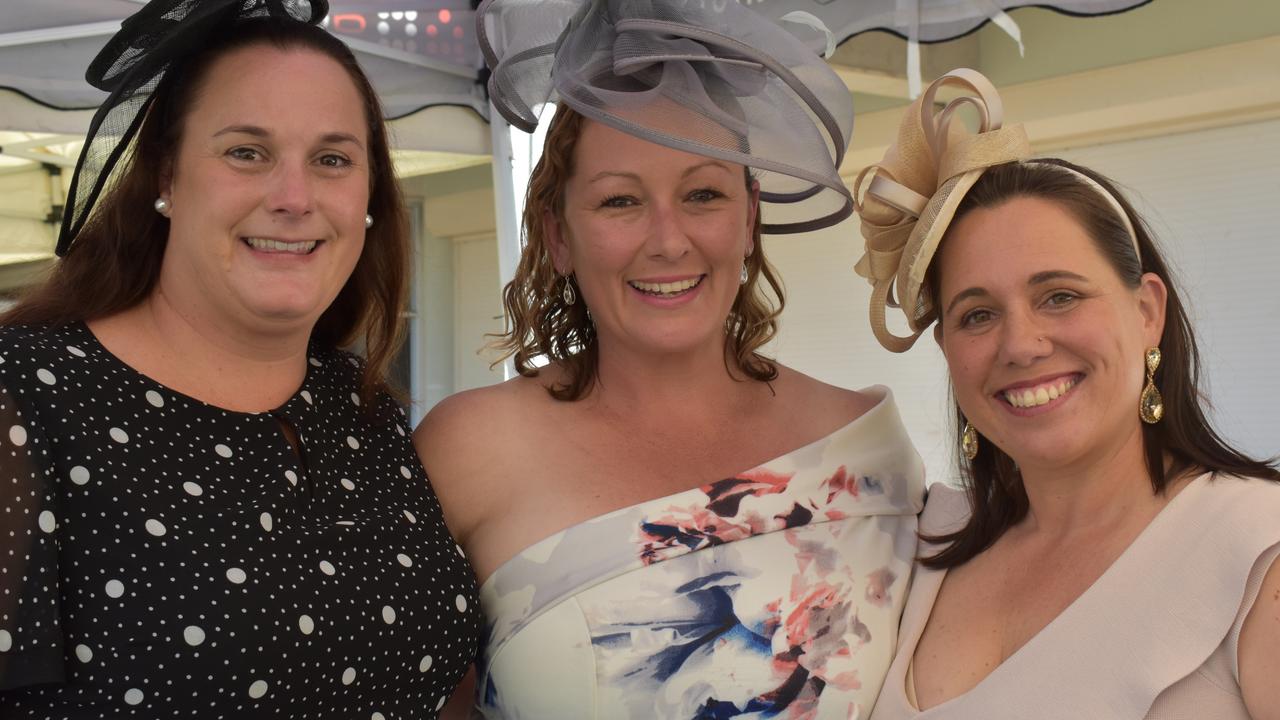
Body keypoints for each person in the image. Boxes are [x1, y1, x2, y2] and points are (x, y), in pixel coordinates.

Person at [417, 2, 925, 718]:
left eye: (703, 194)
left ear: (749, 219)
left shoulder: (866, 451)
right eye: (621, 200)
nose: (668, 240)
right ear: (559, 237)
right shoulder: (468, 450)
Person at [0, 1, 479, 716]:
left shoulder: (360, 406)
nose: (293, 197)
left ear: (370, 192)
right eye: (246, 152)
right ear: (166, 175)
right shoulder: (26, 394)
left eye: (332, 159)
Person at [850, 69, 1280, 719]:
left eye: (1059, 296)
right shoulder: (920, 542)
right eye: (977, 314)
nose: (1020, 344)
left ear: (1146, 313)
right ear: (947, 353)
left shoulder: (1258, 550)